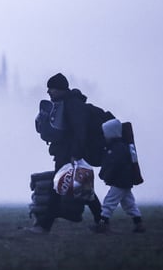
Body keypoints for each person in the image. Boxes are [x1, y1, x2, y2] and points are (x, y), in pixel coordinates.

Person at [30, 72, 103, 234]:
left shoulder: (72, 105)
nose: (49, 92)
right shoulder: (65, 104)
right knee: (85, 190)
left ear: (61, 89)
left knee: (57, 188)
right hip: (67, 154)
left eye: (52, 89)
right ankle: (102, 221)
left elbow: (80, 131)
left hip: (70, 155)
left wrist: (75, 154)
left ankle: (44, 226)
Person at [92, 118, 145, 233]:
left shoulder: (116, 149)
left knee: (109, 202)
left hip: (120, 181)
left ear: (111, 133)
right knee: (129, 203)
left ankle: (103, 224)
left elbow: (113, 165)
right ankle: (138, 223)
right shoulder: (120, 147)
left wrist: (105, 175)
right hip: (125, 181)